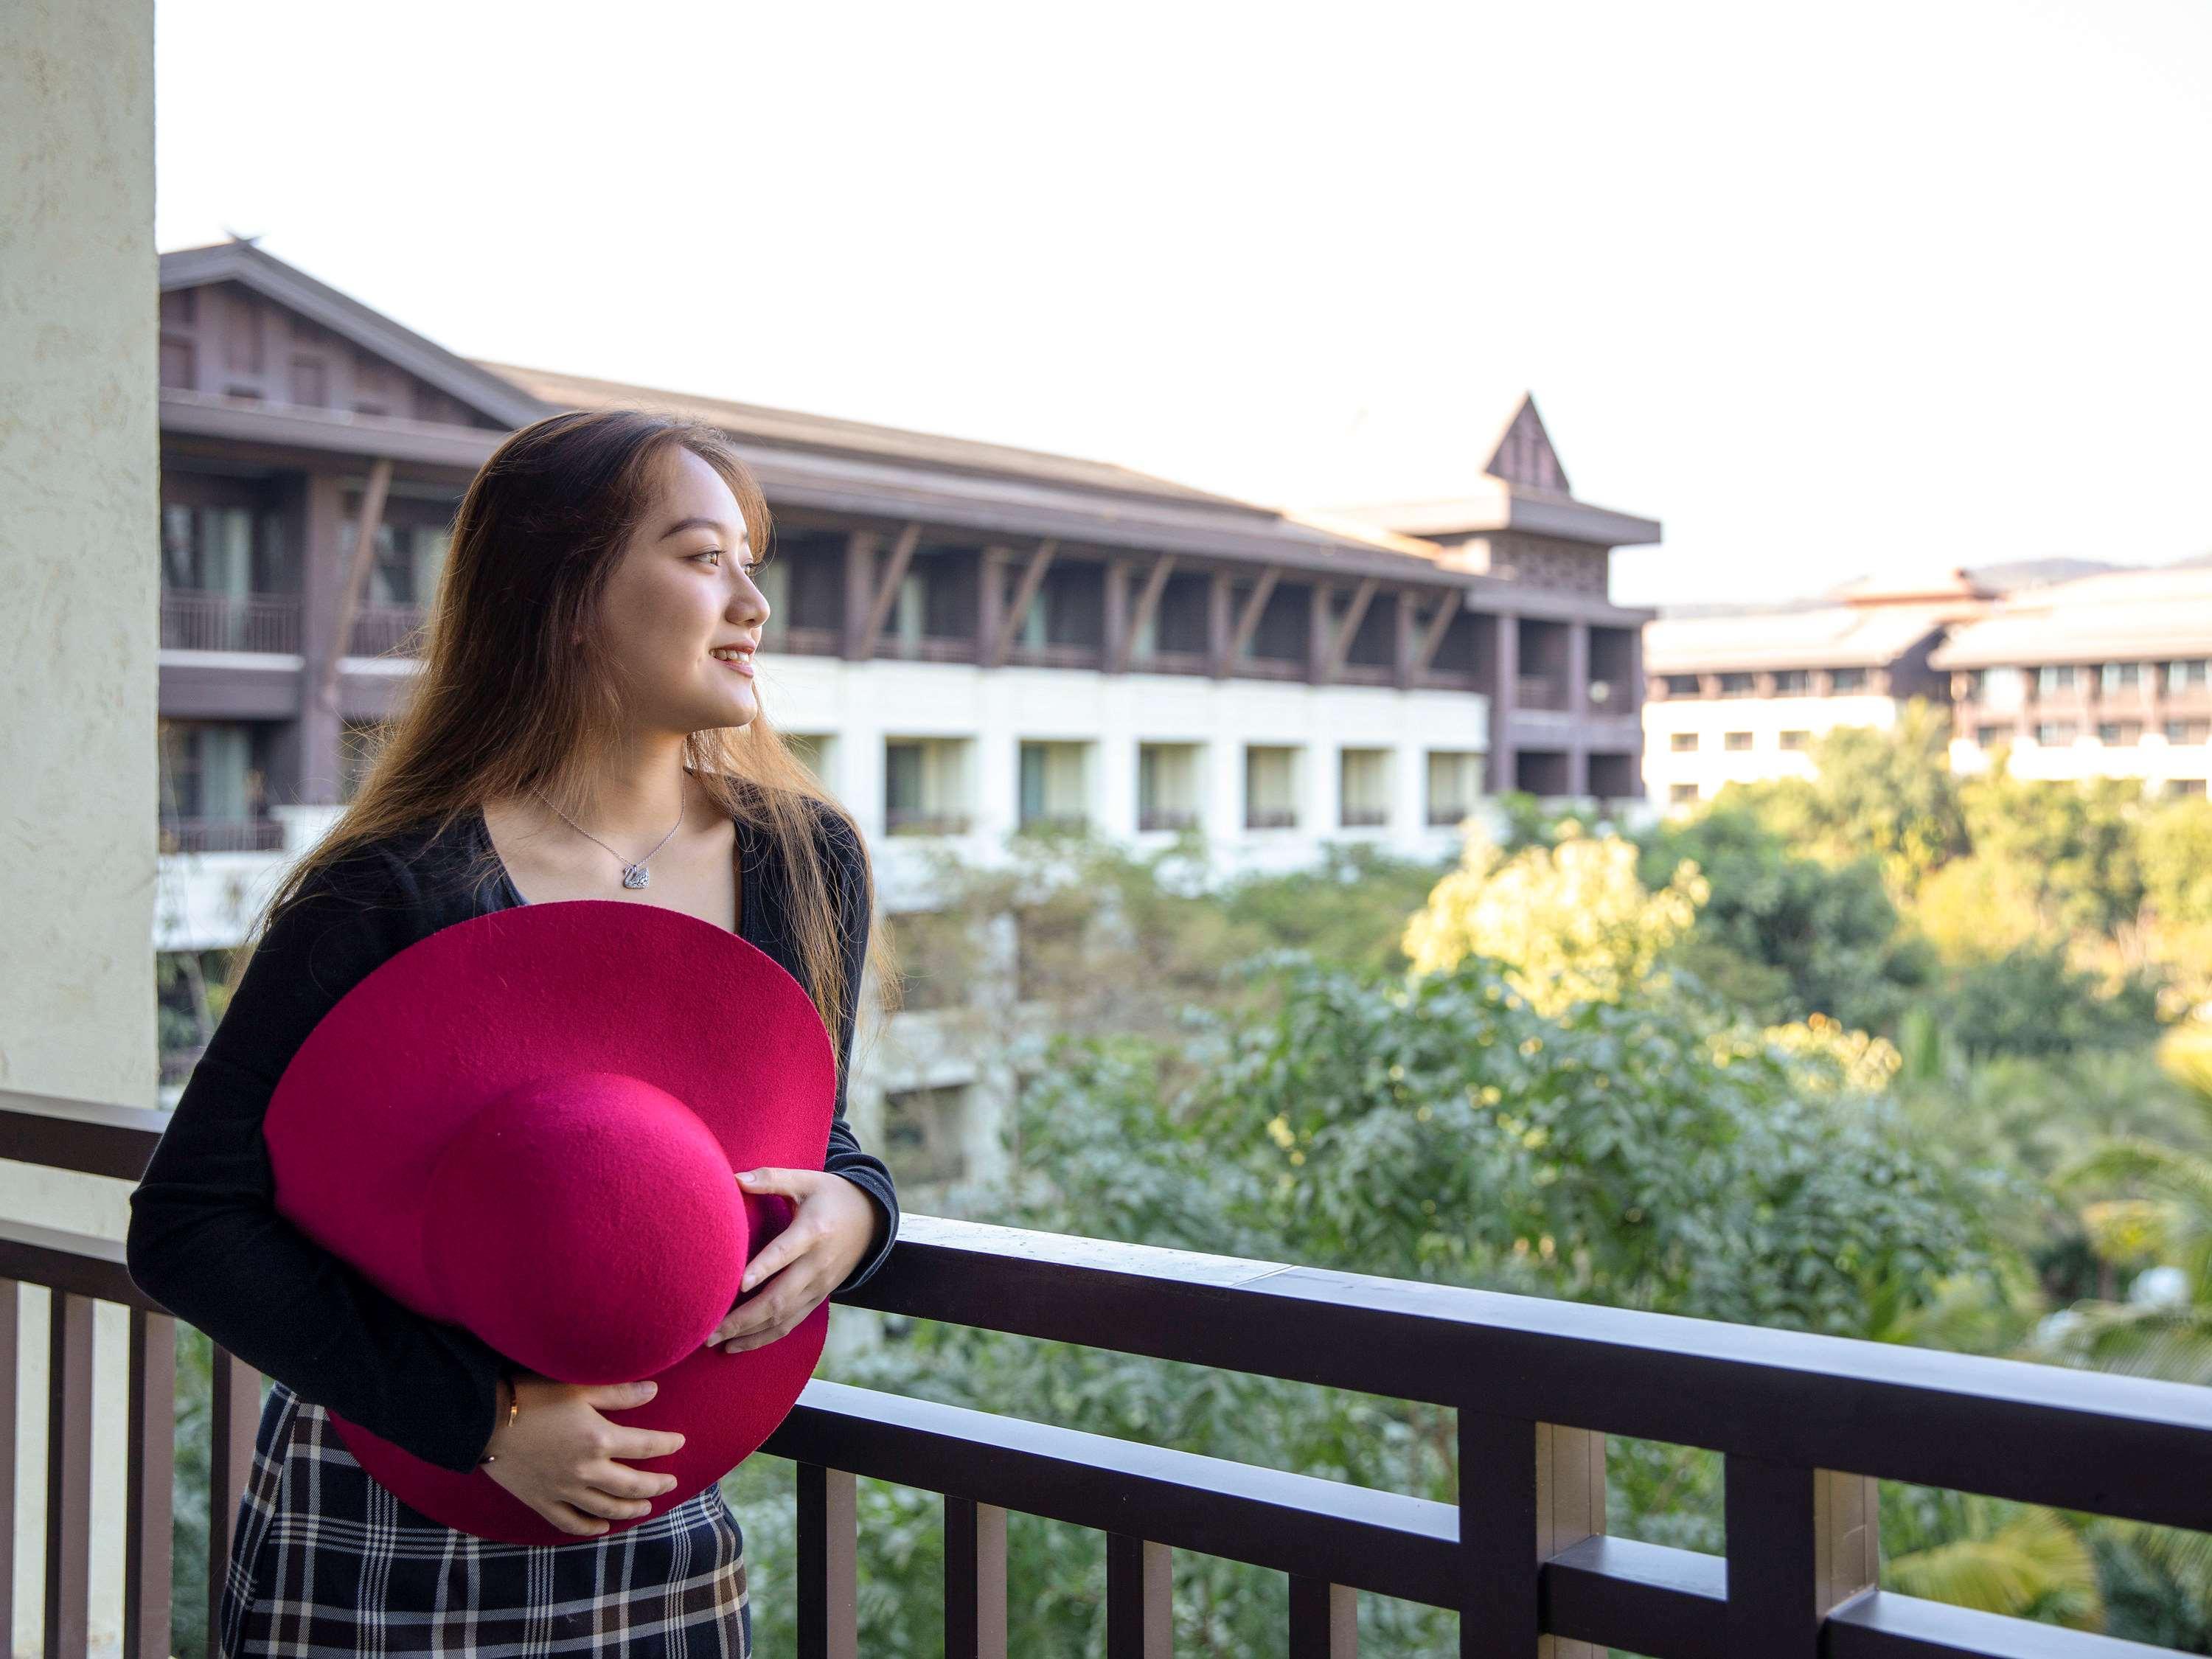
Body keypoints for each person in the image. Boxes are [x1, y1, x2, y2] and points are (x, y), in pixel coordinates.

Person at [125, 408, 903, 1659]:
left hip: (656, 1515)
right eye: (704, 556)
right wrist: (481, 1419)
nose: (753, 601)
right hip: (385, 1507)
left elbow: (809, 1134)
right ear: (570, 594)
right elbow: (189, 1221)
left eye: (752, 559)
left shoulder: (802, 859)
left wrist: (859, 1214)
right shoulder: (389, 883)